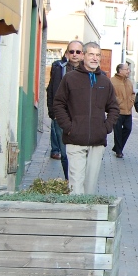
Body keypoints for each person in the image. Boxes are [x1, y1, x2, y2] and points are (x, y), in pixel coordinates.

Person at [53, 42, 120, 195]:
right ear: (83, 55)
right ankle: (75, 216)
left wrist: (106, 128)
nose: (95, 58)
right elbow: (58, 104)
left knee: (90, 186)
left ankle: (87, 216)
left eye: (97, 55)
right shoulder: (70, 78)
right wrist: (69, 127)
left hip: (97, 141)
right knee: (76, 183)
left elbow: (114, 108)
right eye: (91, 54)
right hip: (75, 139)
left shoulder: (105, 81)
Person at [46, 40, 83, 178]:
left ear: (83, 55)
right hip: (61, 117)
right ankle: (70, 181)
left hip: (80, 118)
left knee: (80, 152)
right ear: (67, 53)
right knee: (64, 152)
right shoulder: (58, 68)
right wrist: (53, 113)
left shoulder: (89, 72)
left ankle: (78, 181)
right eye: (71, 51)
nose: (74, 54)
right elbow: (50, 90)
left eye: (78, 52)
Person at [110, 63, 134, 159]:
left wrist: (132, 100)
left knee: (128, 129)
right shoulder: (112, 81)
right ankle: (119, 151)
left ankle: (117, 147)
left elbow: (132, 93)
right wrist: (119, 102)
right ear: (120, 71)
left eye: (128, 69)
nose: (129, 71)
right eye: (126, 69)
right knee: (118, 132)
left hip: (128, 111)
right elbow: (111, 96)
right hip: (117, 111)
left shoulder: (129, 82)